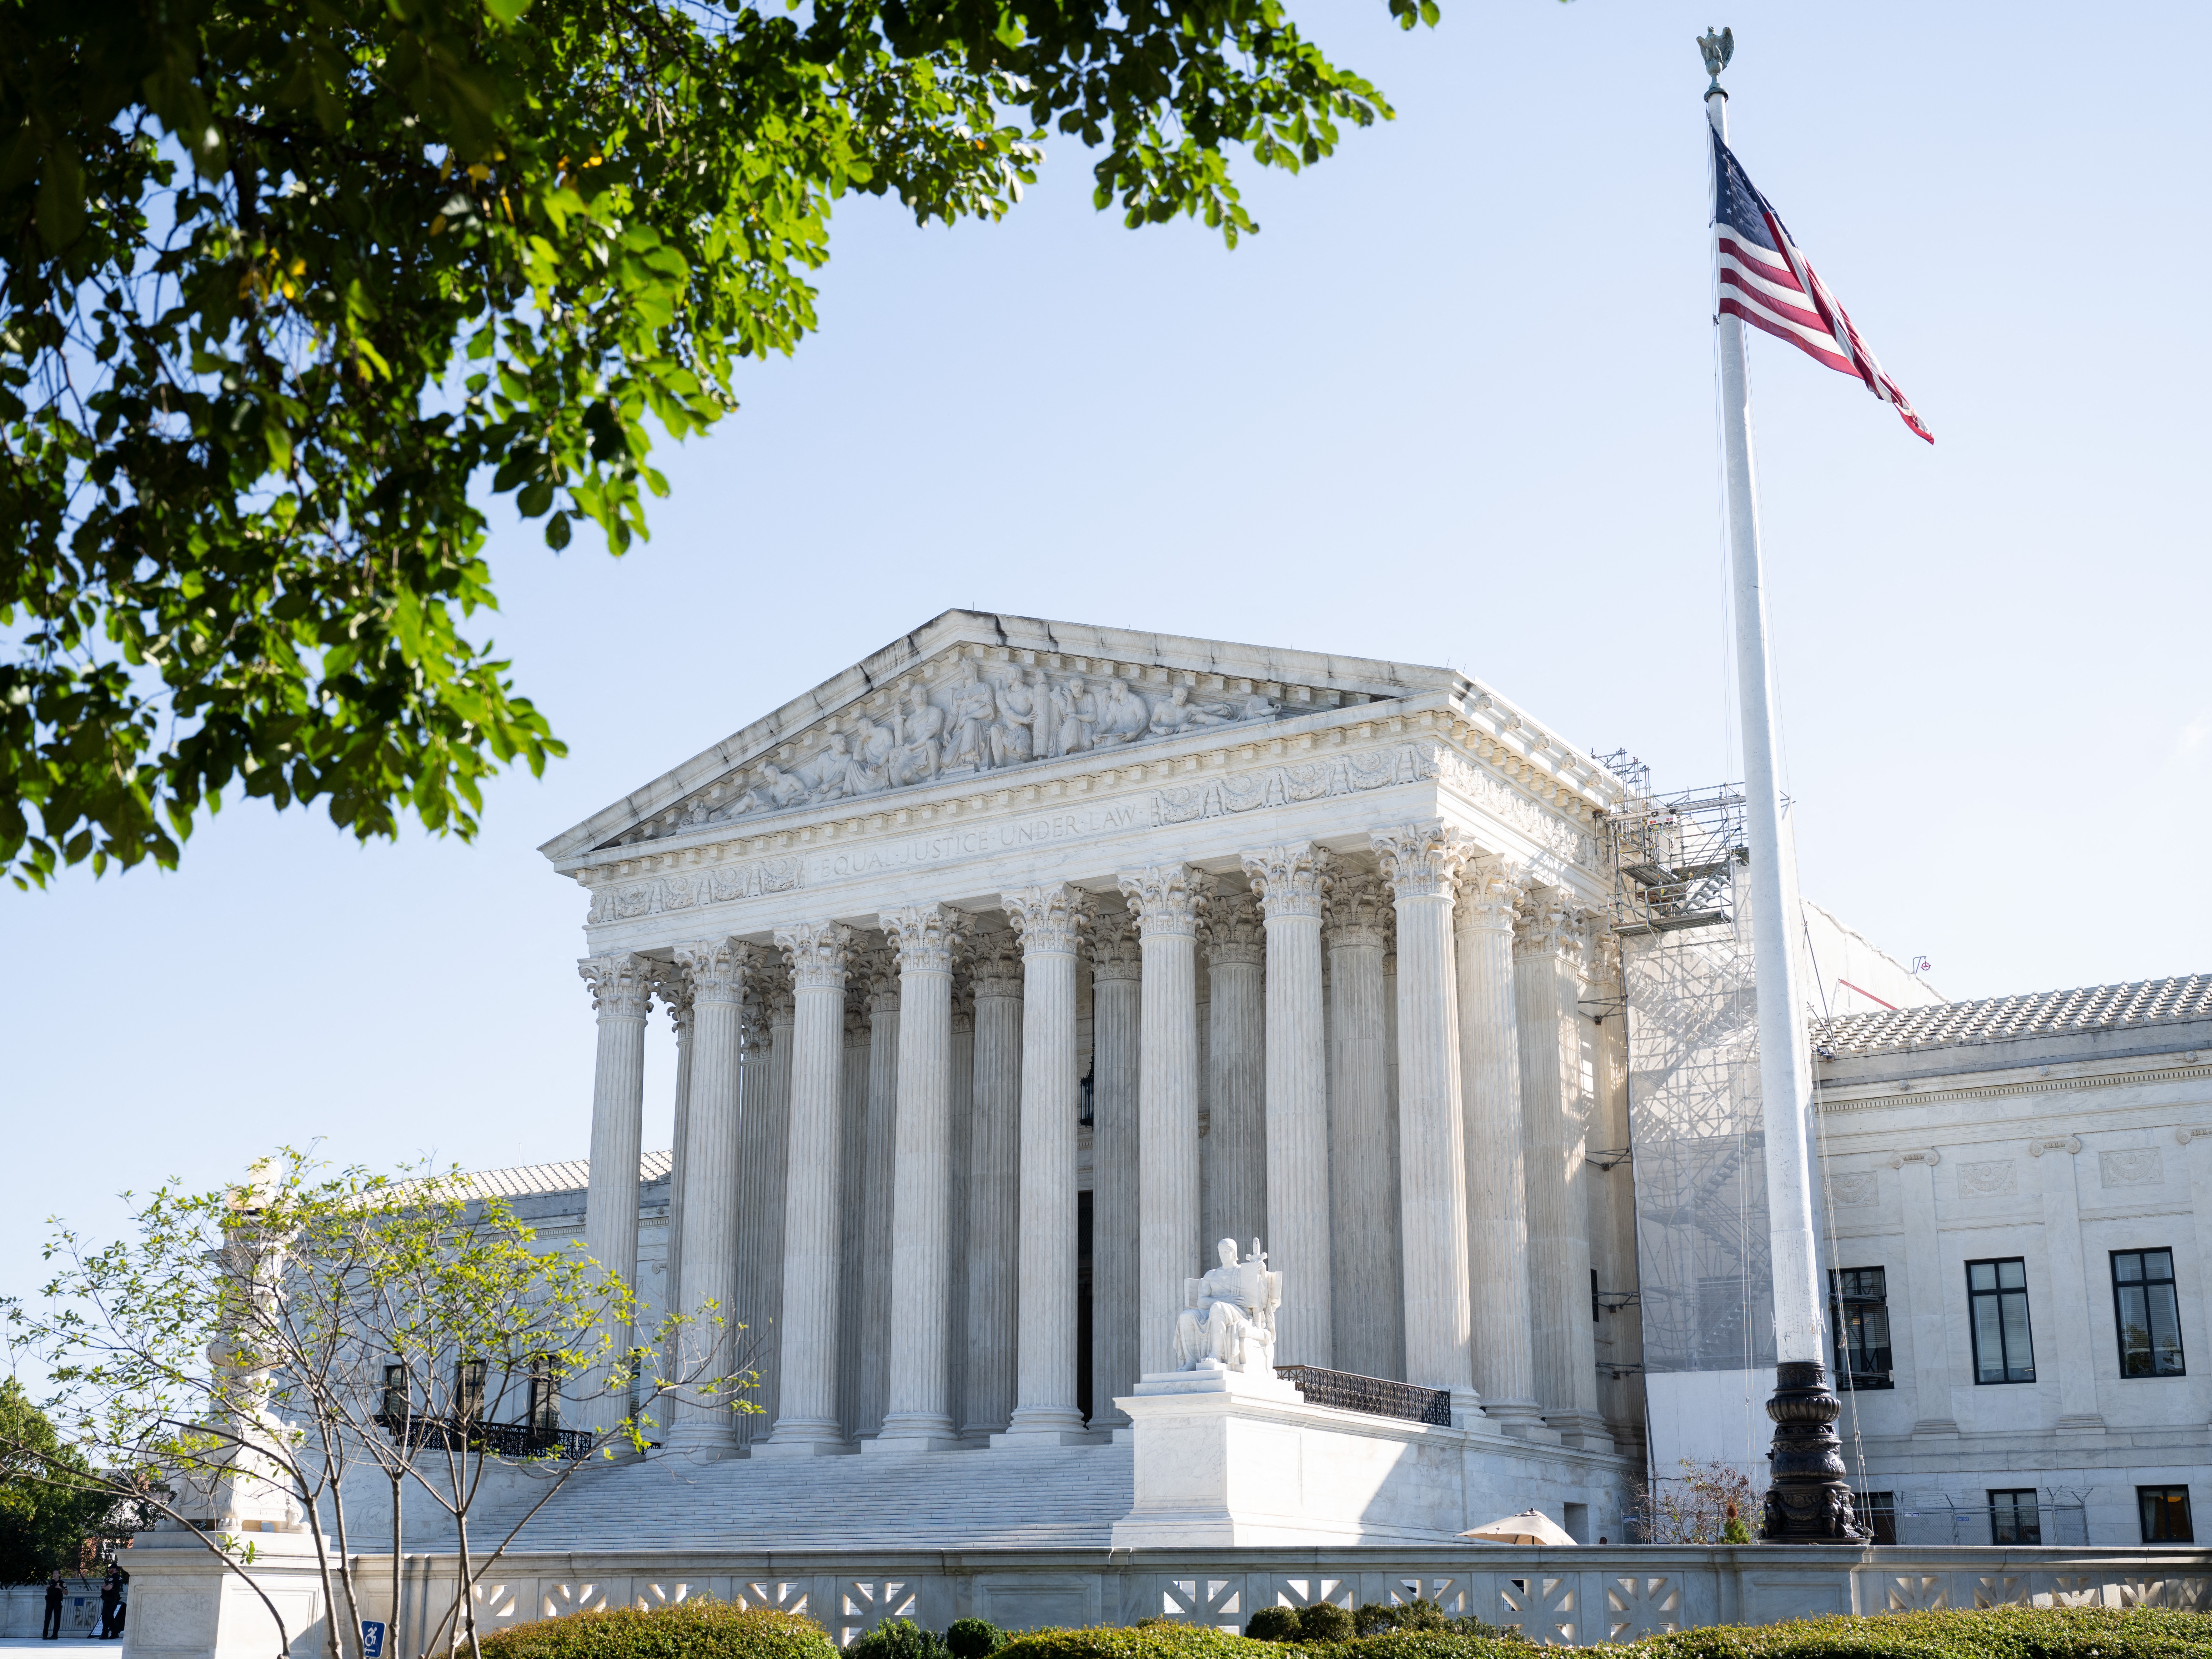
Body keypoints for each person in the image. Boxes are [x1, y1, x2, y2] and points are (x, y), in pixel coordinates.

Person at [42, 1573, 64, 1640]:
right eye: (54, 1574)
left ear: (59, 1575)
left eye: (56, 1574)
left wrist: (61, 1588)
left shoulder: (62, 1583)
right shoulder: (51, 1582)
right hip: (50, 1602)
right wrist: (47, 1588)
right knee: (47, 1619)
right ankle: (45, 1635)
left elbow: (67, 1592)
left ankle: (55, 1635)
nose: (55, 1575)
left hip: (57, 1602)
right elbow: (48, 1592)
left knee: (57, 1619)